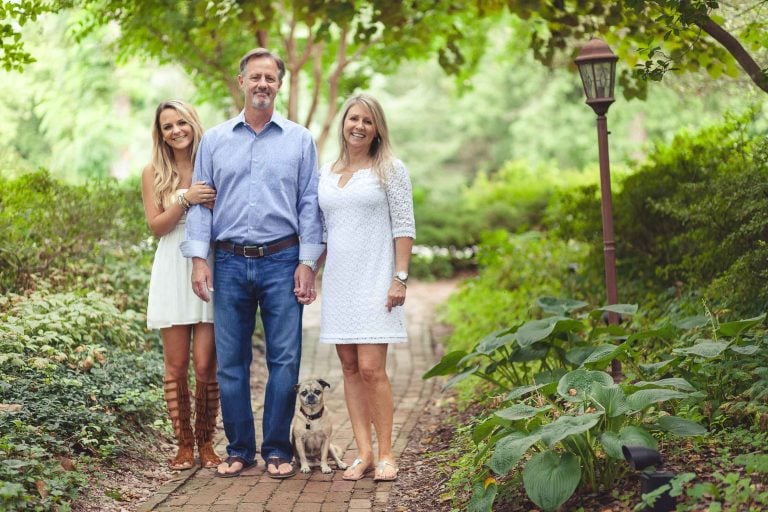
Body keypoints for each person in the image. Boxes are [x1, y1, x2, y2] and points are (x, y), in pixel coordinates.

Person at [181, 48, 324, 479]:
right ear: (241, 81)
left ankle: (278, 448)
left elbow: (309, 206)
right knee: (231, 361)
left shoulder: (300, 140)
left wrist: (307, 262)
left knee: (284, 359)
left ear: (279, 85)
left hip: (282, 260)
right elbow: (201, 205)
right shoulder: (215, 141)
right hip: (227, 261)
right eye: (255, 77)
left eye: (270, 78)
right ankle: (239, 447)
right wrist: (198, 260)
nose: (263, 84)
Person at [317, 93, 415, 482]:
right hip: (338, 282)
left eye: (367, 121)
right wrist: (308, 267)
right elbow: (322, 231)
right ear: (344, 123)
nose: (358, 126)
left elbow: (404, 226)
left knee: (373, 369)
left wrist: (400, 278)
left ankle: (388, 453)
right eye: (353, 118)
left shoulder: (390, 169)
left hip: (376, 280)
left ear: (377, 130)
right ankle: (364, 453)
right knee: (349, 367)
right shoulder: (327, 170)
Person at [141, 100, 222, 470]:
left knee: (205, 365)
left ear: (193, 123)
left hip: (210, 264)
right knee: (175, 366)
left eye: (181, 123)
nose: (175, 130)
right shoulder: (153, 172)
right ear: (160, 134)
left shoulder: (214, 163)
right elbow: (156, 225)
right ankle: (183, 445)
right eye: (167, 126)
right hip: (172, 265)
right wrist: (186, 200)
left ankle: (206, 441)